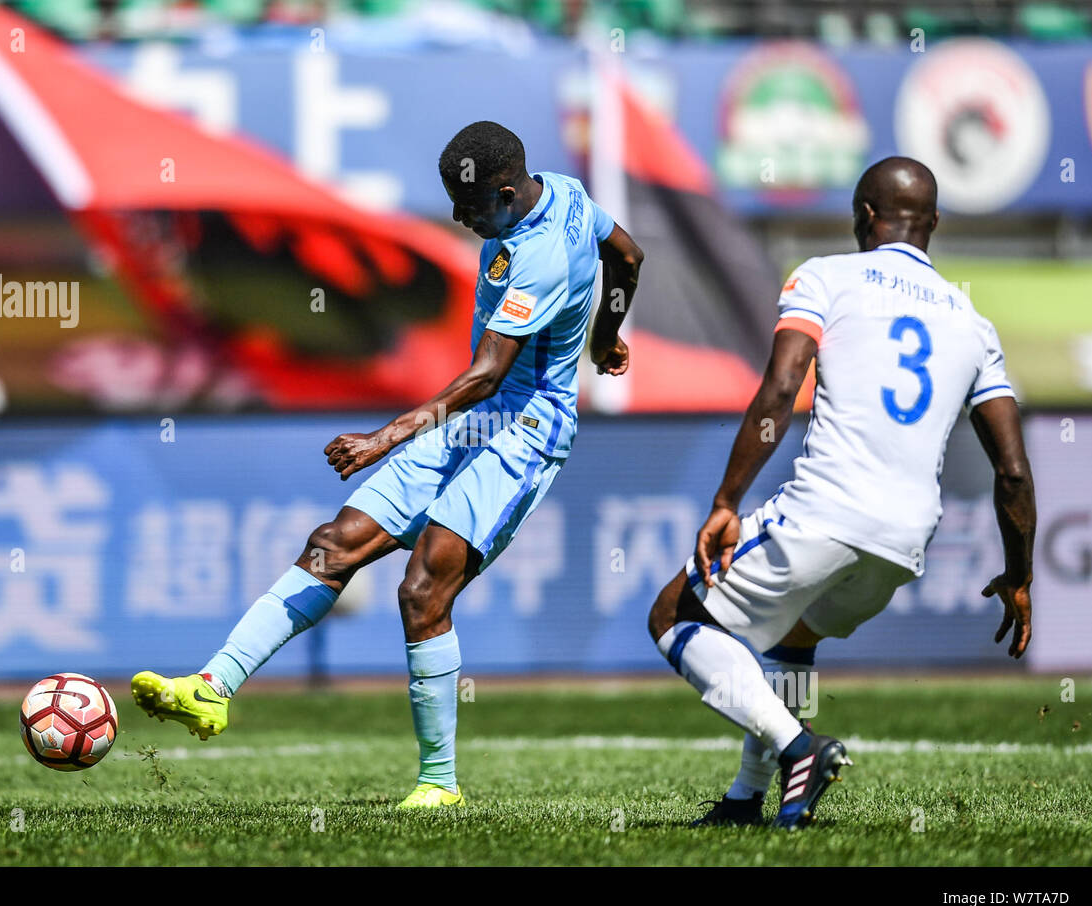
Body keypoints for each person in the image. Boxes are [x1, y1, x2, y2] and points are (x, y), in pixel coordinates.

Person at [131, 121, 644, 808]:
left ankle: (440, 783)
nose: (464, 222)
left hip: (523, 428)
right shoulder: (567, 193)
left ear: (505, 190)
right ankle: (212, 687)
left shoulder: (539, 254)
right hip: (470, 420)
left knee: (422, 589)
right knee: (333, 545)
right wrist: (606, 338)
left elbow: (489, 375)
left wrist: (383, 438)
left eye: (471, 210)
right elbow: (628, 255)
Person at [647, 157, 1035, 829]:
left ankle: (801, 748)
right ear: (935, 224)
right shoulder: (974, 324)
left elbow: (779, 387)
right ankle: (748, 799)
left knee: (673, 618)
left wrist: (726, 502)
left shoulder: (826, 275)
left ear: (862, 216)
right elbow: (1014, 472)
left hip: (826, 511)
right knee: (794, 639)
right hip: (905, 542)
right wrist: (1020, 576)